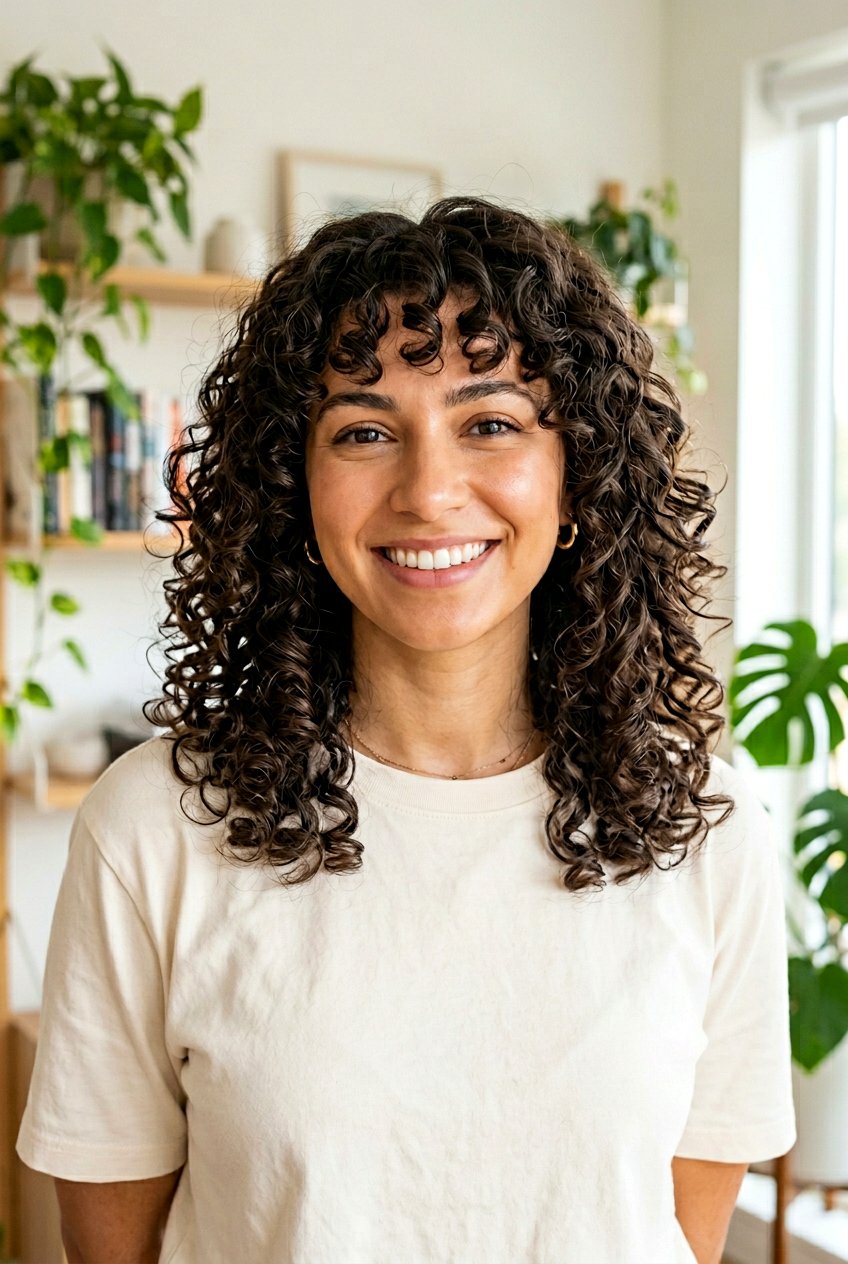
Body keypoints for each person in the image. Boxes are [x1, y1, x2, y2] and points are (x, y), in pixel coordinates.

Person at [17, 195, 796, 1264]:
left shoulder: (704, 819)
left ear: (575, 475)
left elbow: (681, 1234)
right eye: (365, 431)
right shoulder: (153, 825)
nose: (429, 491)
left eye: (489, 422)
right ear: (296, 482)